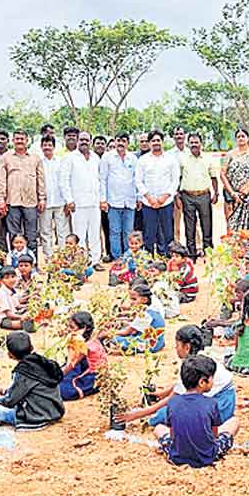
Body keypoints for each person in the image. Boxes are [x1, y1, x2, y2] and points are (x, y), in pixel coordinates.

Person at [117, 326, 237, 428]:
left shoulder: (194, 364)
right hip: (226, 399)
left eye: (177, 345)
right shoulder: (198, 357)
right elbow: (183, 383)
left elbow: (173, 399)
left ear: (187, 347)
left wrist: (138, 414)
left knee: (162, 415)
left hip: (221, 405)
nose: (175, 348)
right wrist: (162, 394)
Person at [154, 355, 241, 468]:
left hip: (176, 456)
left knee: (159, 428)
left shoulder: (173, 402)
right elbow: (214, 436)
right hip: (207, 457)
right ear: (202, 382)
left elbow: (173, 435)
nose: (213, 381)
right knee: (234, 421)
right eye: (211, 378)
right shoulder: (211, 403)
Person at [0, 332, 66, 430]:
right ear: (31, 347)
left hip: (36, 416)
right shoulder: (44, 362)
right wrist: (3, 391)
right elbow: (27, 389)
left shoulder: (23, 372)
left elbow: (10, 401)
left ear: (10, 355)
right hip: (56, 411)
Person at [0, 129, 47, 262]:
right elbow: (2, 180)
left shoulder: (35, 158)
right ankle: (14, 265)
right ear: (13, 141)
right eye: (17, 139)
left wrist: (42, 198)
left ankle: (33, 265)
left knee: (31, 236)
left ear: (27, 141)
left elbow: (40, 180)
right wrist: (1, 199)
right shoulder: (6, 158)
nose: (20, 141)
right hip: (12, 202)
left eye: (22, 139)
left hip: (31, 202)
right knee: (14, 235)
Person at [135, 130, 179, 256]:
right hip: (148, 203)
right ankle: (148, 261)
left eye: (158, 140)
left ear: (162, 142)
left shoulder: (171, 160)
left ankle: (167, 259)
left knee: (167, 233)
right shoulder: (143, 160)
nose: (156, 143)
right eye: (153, 141)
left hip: (166, 202)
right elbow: (138, 181)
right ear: (149, 143)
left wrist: (164, 197)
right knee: (149, 233)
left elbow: (175, 181)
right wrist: (150, 198)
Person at [64, 133, 103, 265]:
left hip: (94, 202)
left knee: (95, 234)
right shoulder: (70, 158)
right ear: (77, 141)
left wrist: (101, 199)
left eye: (87, 140)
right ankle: (81, 261)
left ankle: (95, 261)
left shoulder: (95, 158)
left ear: (90, 141)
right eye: (81, 140)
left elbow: (100, 180)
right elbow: (64, 180)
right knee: (79, 234)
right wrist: (69, 200)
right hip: (78, 203)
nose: (84, 142)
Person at [179, 133, 219, 258]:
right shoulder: (183, 159)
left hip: (204, 195)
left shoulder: (208, 158)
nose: (194, 145)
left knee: (206, 225)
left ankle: (208, 253)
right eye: (191, 142)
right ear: (188, 143)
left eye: (196, 142)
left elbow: (213, 177)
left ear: (201, 143)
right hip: (187, 196)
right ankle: (191, 254)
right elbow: (179, 177)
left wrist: (216, 193)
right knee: (189, 226)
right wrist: (178, 196)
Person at [101, 132, 138, 263]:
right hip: (113, 201)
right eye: (118, 140)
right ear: (115, 142)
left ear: (128, 143)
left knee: (128, 232)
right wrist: (103, 199)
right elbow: (103, 179)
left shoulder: (133, 158)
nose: (121, 143)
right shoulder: (107, 157)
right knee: (114, 231)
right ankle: (117, 258)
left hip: (130, 200)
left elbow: (136, 179)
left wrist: (138, 198)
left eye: (124, 140)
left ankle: (128, 257)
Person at [59, 311, 108, 401]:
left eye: (72, 327)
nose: (69, 330)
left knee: (60, 390)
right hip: (93, 371)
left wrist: (53, 378)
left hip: (91, 376)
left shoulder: (82, 344)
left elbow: (70, 365)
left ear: (84, 328)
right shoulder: (92, 337)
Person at [112, 283, 166, 353]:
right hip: (159, 342)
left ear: (144, 300)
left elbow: (126, 332)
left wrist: (108, 334)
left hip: (150, 344)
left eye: (134, 299)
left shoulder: (144, 315)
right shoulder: (151, 310)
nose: (131, 302)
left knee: (114, 339)